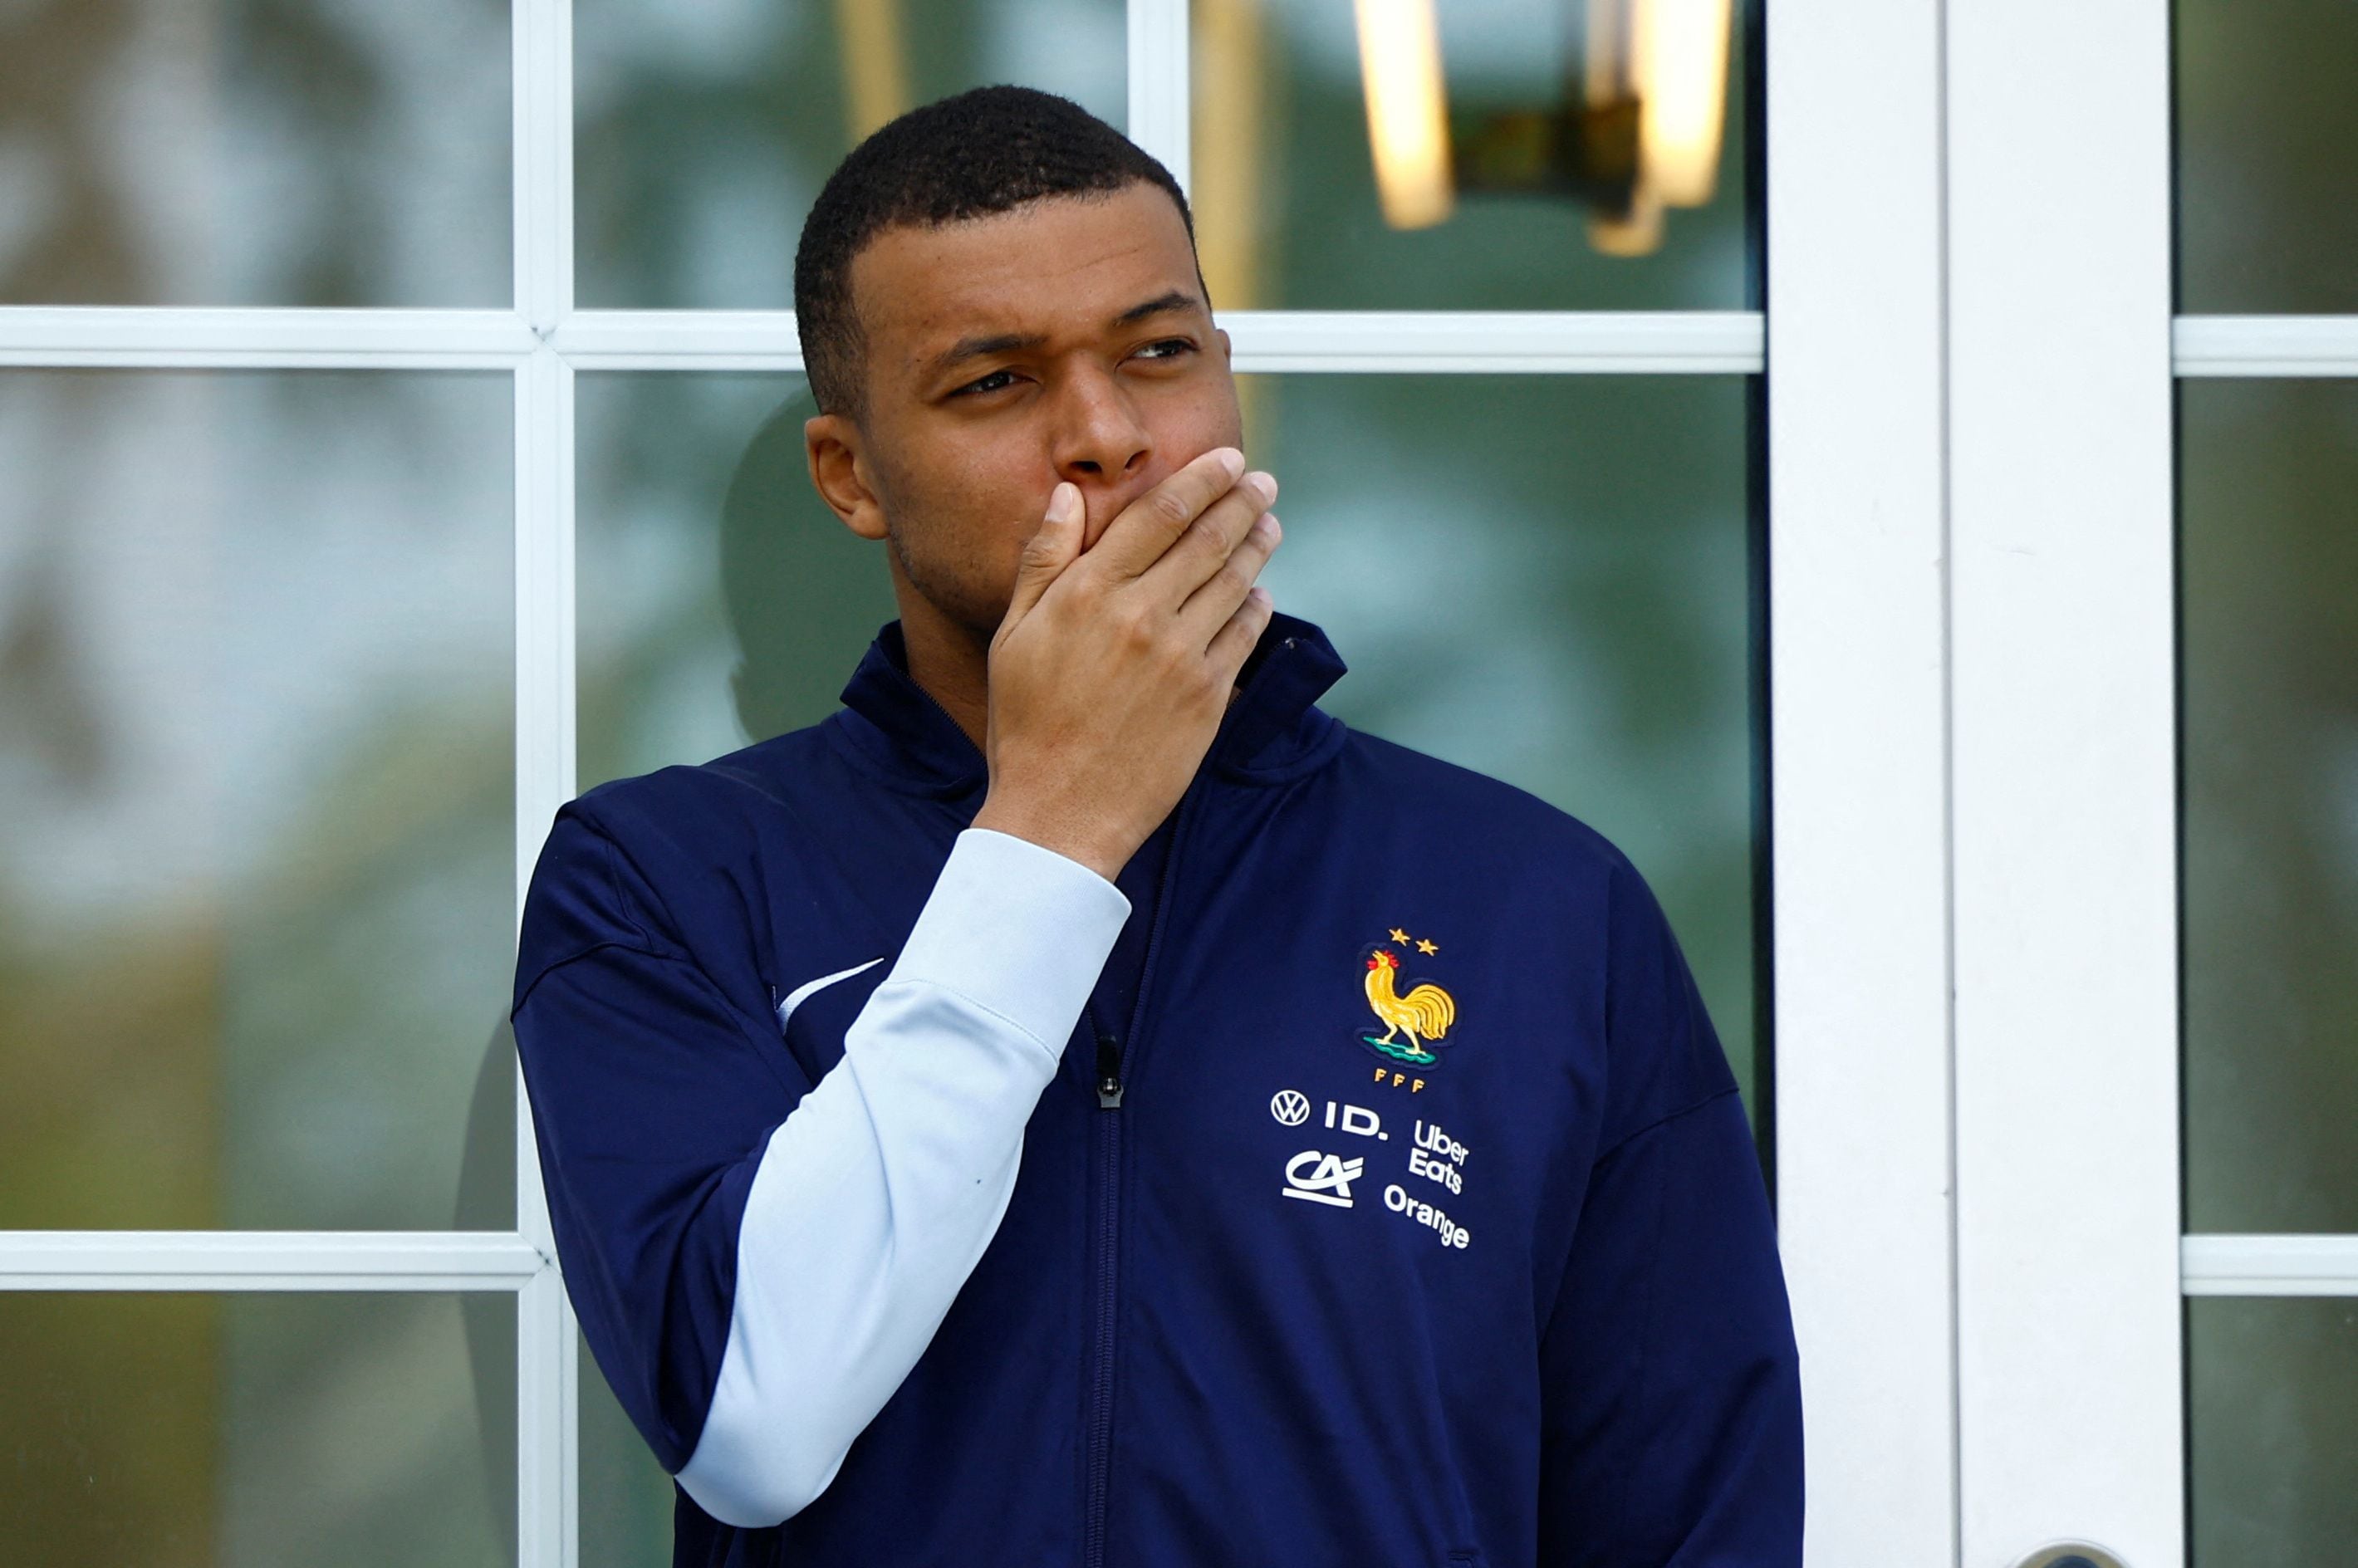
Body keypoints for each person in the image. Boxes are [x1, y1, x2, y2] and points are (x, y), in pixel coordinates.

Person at [512, 84, 1802, 1568]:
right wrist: (1052, 826)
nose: (1108, 434)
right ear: (852, 475)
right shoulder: (665, 882)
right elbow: (754, 1419)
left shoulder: (1536, 904)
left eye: (1159, 353)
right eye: (994, 383)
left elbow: (1691, 1515)